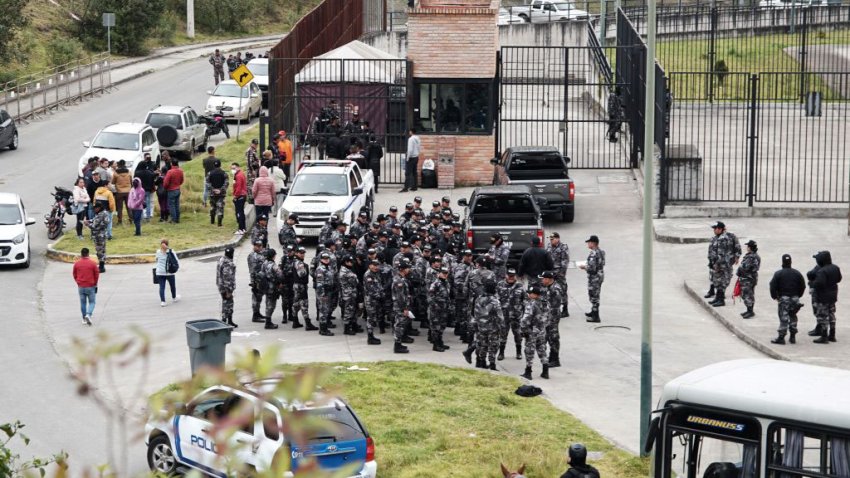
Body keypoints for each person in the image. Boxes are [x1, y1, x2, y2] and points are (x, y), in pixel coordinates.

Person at [768, 254, 806, 345]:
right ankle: (793, 336)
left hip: (784, 298)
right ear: (791, 262)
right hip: (795, 298)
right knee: (793, 315)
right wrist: (798, 296)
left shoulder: (778, 273)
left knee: (784, 317)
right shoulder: (797, 273)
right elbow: (803, 286)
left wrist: (775, 297)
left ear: (782, 262)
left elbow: (772, 286)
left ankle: (781, 337)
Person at [808, 250, 842, 344]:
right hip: (833, 295)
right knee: (831, 314)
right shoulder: (835, 268)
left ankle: (824, 336)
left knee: (822, 316)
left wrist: (812, 283)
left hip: (823, 296)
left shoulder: (822, 271)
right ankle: (832, 334)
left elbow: (819, 283)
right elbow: (839, 278)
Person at [705, 221, 741, 307]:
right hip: (716, 264)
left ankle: (721, 300)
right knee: (717, 281)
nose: (714, 230)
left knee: (723, 281)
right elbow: (711, 251)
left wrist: (737, 257)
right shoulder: (714, 238)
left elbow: (737, 247)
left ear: (720, 229)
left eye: (715, 228)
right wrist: (711, 261)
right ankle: (718, 298)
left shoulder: (730, 236)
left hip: (725, 264)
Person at [520, 285, 549, 380]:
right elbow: (548, 317)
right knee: (542, 349)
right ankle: (545, 371)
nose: (528, 294)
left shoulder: (531, 304)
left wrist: (523, 330)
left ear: (535, 295)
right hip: (542, 330)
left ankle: (528, 372)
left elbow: (526, 319)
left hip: (532, 331)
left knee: (529, 351)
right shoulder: (545, 303)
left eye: (530, 293)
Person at [498, 269, 525, 361]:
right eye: (509, 276)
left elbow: (524, 300)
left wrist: (524, 314)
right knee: (502, 335)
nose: (510, 278)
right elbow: (496, 299)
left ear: (515, 276)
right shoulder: (500, 285)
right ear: (506, 275)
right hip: (504, 315)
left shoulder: (520, 286)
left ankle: (519, 352)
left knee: (518, 334)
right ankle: (501, 352)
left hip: (516, 315)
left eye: (512, 276)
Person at [580, 235, 605, 322]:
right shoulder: (601, 251)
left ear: (593, 243)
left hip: (594, 277)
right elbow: (602, 263)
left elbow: (592, 268)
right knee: (595, 294)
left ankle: (596, 316)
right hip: (599, 276)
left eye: (589, 242)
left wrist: (584, 267)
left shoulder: (594, 253)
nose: (588, 244)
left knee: (594, 296)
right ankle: (593, 312)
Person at [392, 259, 414, 353]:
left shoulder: (401, 278)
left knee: (401, 325)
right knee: (399, 325)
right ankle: (397, 346)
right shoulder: (398, 281)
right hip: (400, 307)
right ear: (403, 269)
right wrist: (404, 308)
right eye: (407, 268)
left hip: (402, 306)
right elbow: (400, 297)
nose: (409, 270)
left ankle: (399, 343)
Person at [72, 247, 99, 326]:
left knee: (83, 302)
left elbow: (74, 274)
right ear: (88, 254)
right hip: (90, 286)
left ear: (81, 254)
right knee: (92, 302)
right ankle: (88, 314)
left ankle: (84, 318)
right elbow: (96, 275)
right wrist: (95, 283)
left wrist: (78, 282)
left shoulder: (77, 264)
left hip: (81, 286)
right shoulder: (93, 263)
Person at [428, 266, 451, 352]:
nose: (445, 275)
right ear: (439, 273)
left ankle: (440, 342)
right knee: (436, 327)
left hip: (444, 309)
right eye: (443, 273)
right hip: (436, 310)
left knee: (442, 326)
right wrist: (435, 306)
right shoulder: (435, 284)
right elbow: (430, 297)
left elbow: (447, 296)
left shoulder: (446, 283)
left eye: (446, 273)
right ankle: (435, 344)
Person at [547, 232, 570, 317]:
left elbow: (565, 261)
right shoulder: (549, 246)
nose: (551, 240)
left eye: (552, 239)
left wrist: (561, 273)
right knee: (552, 291)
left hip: (559, 273)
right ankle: (555, 308)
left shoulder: (563, 247)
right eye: (550, 239)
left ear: (558, 239)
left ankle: (565, 309)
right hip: (551, 273)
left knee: (562, 290)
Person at [736, 240, 761, 318]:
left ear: (750, 247)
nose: (747, 248)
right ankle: (749, 310)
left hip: (748, 279)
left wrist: (739, 270)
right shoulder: (755, 255)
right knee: (749, 294)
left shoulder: (751, 257)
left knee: (747, 294)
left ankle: (750, 311)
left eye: (748, 246)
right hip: (751, 278)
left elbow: (745, 267)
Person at [315, 252, 337, 337]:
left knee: (326, 310)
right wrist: (322, 295)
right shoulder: (320, 269)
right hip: (323, 293)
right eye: (324, 258)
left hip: (329, 292)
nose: (326, 260)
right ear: (321, 259)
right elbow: (319, 283)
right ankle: (323, 329)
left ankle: (325, 326)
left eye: (327, 258)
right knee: (323, 311)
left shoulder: (329, 268)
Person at [362, 259, 383, 345]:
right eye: (373, 265)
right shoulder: (368, 275)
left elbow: (379, 286)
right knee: (370, 319)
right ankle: (370, 337)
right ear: (370, 265)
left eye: (377, 265)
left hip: (376, 299)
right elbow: (371, 289)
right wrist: (380, 296)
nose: (375, 267)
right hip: (370, 300)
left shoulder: (376, 273)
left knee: (373, 318)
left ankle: (372, 336)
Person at [155, 239, 180, 306]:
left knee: (162, 287)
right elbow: (176, 260)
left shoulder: (158, 252)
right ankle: (174, 298)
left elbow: (157, 260)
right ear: (167, 244)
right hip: (169, 272)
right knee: (172, 286)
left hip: (159, 272)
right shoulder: (171, 251)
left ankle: (163, 302)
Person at [85, 202, 109, 272]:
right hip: (103, 234)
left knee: (99, 251)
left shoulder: (100, 215)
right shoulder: (104, 213)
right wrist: (89, 221)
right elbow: (95, 220)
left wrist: (87, 224)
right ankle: (102, 265)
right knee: (103, 250)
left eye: (95, 208)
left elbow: (94, 226)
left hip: (98, 235)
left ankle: (101, 267)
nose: (94, 210)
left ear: (98, 208)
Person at [216, 247, 237, 328]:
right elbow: (227, 277)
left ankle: (229, 321)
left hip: (221, 285)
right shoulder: (228, 263)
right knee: (227, 304)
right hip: (226, 287)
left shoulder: (221, 259)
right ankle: (225, 322)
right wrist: (229, 290)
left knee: (228, 303)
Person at [248, 240, 267, 323]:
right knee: (256, 298)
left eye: (260, 246)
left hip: (261, 279)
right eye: (257, 246)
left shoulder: (260, 254)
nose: (259, 247)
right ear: (254, 246)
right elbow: (253, 270)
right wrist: (253, 283)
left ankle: (258, 313)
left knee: (259, 297)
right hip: (256, 280)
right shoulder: (253, 256)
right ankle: (255, 316)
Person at [207, 160, 229, 227]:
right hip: (221, 194)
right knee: (220, 207)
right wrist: (220, 190)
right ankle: (219, 223)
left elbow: (207, 183)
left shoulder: (210, 173)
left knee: (212, 206)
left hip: (212, 194)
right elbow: (226, 183)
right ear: (220, 165)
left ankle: (212, 220)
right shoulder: (224, 173)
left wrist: (213, 189)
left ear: (214, 165)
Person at [134, 155, 156, 221]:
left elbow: (135, 182)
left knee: (140, 204)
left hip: (140, 190)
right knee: (148, 203)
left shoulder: (137, 173)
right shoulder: (150, 173)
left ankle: (141, 217)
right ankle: (148, 216)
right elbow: (152, 181)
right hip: (147, 190)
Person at [111, 160, 132, 225]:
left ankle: (120, 220)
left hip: (119, 192)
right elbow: (131, 180)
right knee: (129, 206)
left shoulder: (116, 173)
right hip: (128, 191)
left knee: (119, 207)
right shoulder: (129, 172)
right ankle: (131, 219)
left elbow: (113, 182)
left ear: (119, 165)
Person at [400, 128, 420, 193]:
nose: (409, 132)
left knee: (407, 173)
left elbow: (410, 150)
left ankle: (406, 188)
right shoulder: (418, 138)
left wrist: (407, 158)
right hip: (416, 157)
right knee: (414, 172)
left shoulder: (411, 139)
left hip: (411, 157)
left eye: (409, 131)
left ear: (411, 132)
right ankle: (415, 186)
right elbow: (419, 148)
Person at [231, 163, 247, 235]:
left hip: (240, 196)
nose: (232, 170)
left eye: (234, 168)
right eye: (232, 168)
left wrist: (235, 196)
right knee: (241, 212)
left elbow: (238, 187)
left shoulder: (238, 176)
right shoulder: (240, 174)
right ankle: (243, 228)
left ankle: (240, 229)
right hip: (242, 195)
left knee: (239, 213)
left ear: (238, 167)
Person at [245, 139, 260, 203]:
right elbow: (249, 162)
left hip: (254, 170)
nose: (256, 145)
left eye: (256, 144)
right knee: (250, 184)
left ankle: (253, 197)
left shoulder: (253, 150)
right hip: (251, 171)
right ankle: (251, 198)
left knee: (253, 184)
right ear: (252, 143)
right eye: (254, 144)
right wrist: (252, 170)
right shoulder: (250, 151)